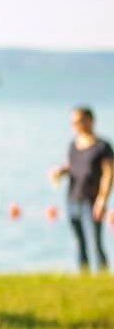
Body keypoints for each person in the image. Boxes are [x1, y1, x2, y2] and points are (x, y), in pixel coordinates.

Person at [49, 106, 111, 271]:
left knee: (96, 242)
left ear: (89, 121)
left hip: (92, 200)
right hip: (73, 198)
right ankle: (83, 273)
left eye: (78, 122)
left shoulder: (103, 147)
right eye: (73, 123)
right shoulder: (73, 145)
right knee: (79, 242)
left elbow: (108, 174)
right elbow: (72, 166)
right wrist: (60, 171)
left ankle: (103, 274)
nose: (74, 126)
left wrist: (102, 200)